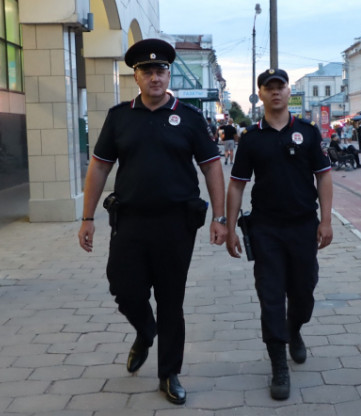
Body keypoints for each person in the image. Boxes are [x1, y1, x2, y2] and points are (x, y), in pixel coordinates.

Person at [77, 38, 228, 405]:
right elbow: (99, 166)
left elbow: (211, 167)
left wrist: (220, 218)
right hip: (129, 221)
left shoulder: (190, 118)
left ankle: (169, 373)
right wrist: (87, 217)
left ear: (169, 73)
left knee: (171, 299)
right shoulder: (120, 117)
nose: (154, 76)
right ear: (136, 76)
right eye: (147, 71)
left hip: (176, 224)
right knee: (123, 287)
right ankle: (146, 331)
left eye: (160, 70)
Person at [226, 68, 333, 401]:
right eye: (268, 87)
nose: (275, 92)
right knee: (271, 295)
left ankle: (295, 329)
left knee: (304, 293)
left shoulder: (308, 132)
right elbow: (237, 185)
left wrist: (326, 220)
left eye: (280, 87)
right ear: (260, 93)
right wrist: (229, 227)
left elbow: (324, 177)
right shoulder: (252, 137)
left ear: (289, 92)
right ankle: (278, 365)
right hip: (266, 228)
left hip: (303, 226)